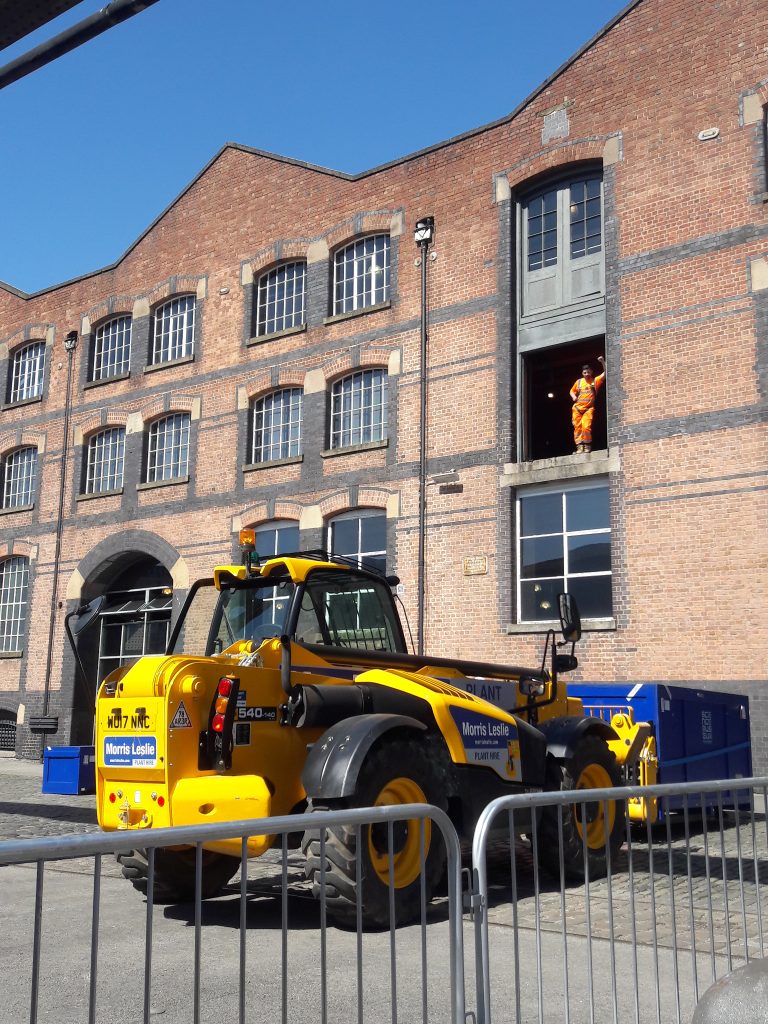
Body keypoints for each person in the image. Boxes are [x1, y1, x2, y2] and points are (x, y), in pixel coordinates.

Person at [569, 355, 606, 453]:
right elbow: (571, 391)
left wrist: (602, 362)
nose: (587, 374)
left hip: (588, 409)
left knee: (586, 426)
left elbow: (606, 373)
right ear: (582, 373)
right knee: (577, 428)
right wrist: (574, 397)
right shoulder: (579, 382)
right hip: (577, 409)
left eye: (588, 372)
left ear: (592, 372)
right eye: (585, 372)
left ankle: (587, 445)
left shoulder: (595, 381)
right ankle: (579, 447)